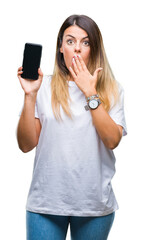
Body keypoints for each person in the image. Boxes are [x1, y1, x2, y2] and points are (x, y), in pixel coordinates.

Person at [17, 14, 127, 240]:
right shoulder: (43, 87)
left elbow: (112, 140)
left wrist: (90, 93)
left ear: (94, 49)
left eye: (85, 42)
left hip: (93, 206)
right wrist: (30, 95)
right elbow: (26, 144)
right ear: (60, 48)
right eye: (70, 41)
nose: (77, 49)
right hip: (45, 205)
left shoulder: (112, 89)